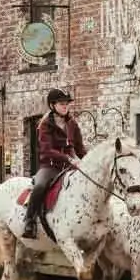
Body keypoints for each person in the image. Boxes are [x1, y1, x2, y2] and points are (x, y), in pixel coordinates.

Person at [22, 88, 86, 239]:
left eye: (67, 103)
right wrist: (68, 159)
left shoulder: (73, 124)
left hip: (70, 167)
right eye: (62, 103)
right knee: (40, 186)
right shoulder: (44, 125)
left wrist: (88, 162)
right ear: (52, 105)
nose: (65, 106)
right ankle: (29, 222)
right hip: (50, 166)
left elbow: (80, 148)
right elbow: (47, 150)